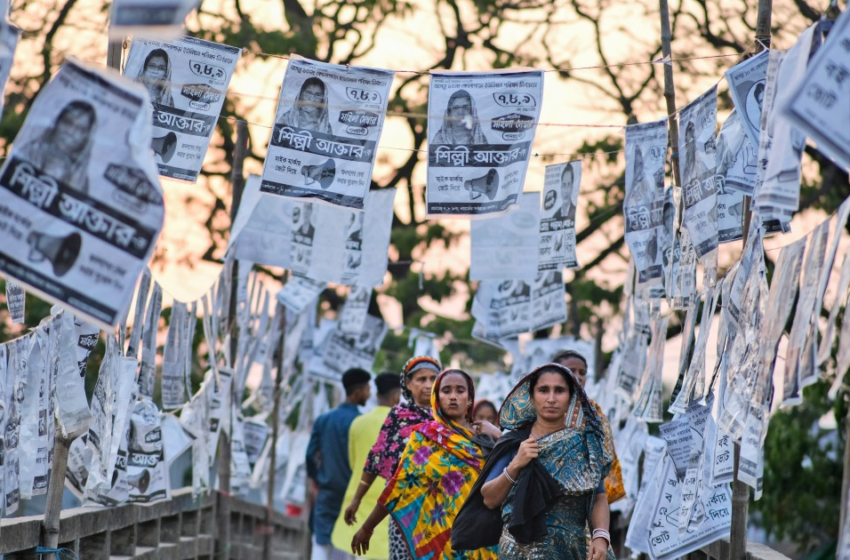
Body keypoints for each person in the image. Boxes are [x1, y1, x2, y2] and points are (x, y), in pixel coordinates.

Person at [454, 363, 614, 560]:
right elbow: (489, 499)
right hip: (518, 551)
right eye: (543, 390)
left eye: (560, 391)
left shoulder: (585, 443)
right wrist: (516, 465)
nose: (551, 398)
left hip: (570, 550)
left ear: (571, 397)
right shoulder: (514, 441)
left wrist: (601, 536)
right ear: (531, 396)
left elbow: (599, 496)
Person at [351, 368, 500, 560]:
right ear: (437, 397)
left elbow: (513, 473)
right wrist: (367, 527)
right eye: (446, 391)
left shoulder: (486, 437)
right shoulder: (424, 437)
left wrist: (498, 435)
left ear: (470, 399)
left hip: (482, 537)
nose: (453, 397)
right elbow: (399, 486)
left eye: (460, 391)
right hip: (440, 537)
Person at [344, 357, 439, 560]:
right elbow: (375, 458)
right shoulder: (398, 416)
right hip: (401, 512)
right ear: (408, 384)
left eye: (434, 378)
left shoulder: (448, 418)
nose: (428, 385)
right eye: (421, 379)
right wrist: (357, 499)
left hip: (439, 512)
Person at [331, 372, 402, 560]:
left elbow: (355, 464)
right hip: (384, 516)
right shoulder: (404, 427)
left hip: (354, 508)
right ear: (397, 396)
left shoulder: (358, 423)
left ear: (378, 395)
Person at [306, 368, 372, 560]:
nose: (369, 394)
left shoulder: (324, 420)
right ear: (358, 391)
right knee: (345, 545)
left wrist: (317, 480)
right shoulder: (361, 422)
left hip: (327, 490)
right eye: (367, 389)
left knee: (320, 542)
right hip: (353, 495)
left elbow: (310, 455)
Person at [552, 350, 625, 505]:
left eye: (582, 372)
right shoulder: (543, 407)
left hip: (587, 496)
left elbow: (606, 458)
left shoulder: (595, 413)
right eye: (571, 371)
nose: (578, 376)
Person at [17, 100, 97, 193]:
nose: (70, 132)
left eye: (80, 129)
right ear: (57, 122)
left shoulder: (80, 178)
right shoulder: (30, 151)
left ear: (86, 137)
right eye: (67, 123)